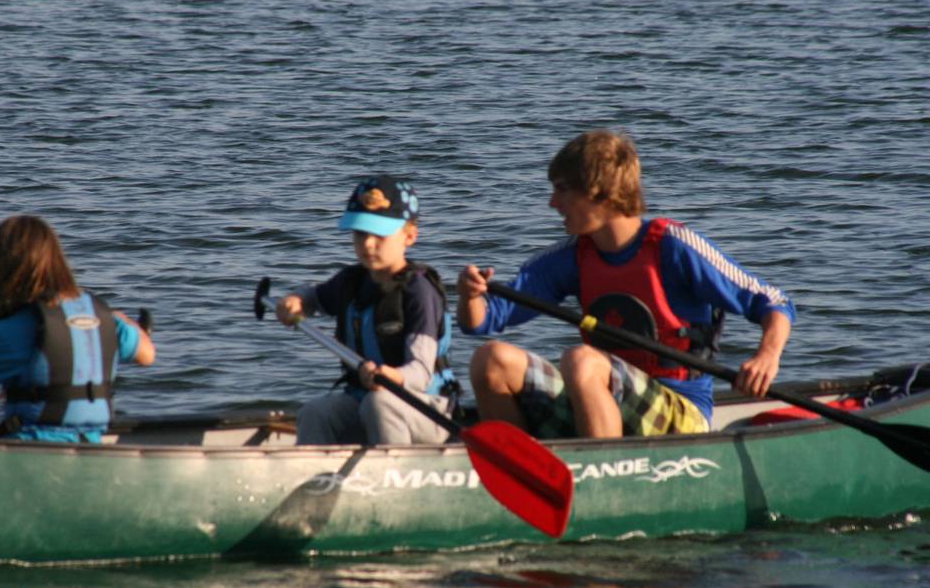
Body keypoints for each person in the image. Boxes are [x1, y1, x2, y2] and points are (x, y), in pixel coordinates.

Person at [456, 129, 795, 439]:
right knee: (491, 360)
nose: (552, 203)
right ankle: (519, 475)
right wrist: (471, 295)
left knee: (582, 360)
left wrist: (767, 356)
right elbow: (482, 322)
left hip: (680, 411)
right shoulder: (571, 258)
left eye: (562, 189)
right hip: (601, 399)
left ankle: (603, 477)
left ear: (599, 192)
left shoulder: (674, 247)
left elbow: (774, 302)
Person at [0, 215, 155, 442]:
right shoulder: (102, 317)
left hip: (32, 445)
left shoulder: (11, 330)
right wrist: (119, 319)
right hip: (91, 441)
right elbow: (147, 354)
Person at [276, 175, 460, 445]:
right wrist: (295, 300)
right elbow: (314, 297)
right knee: (316, 412)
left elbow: (420, 373)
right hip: (366, 402)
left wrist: (391, 376)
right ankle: (316, 479)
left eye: (380, 234)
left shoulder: (419, 293)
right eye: (361, 233)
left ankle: (396, 476)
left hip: (426, 410)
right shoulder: (351, 281)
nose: (368, 244)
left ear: (409, 236)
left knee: (380, 402)